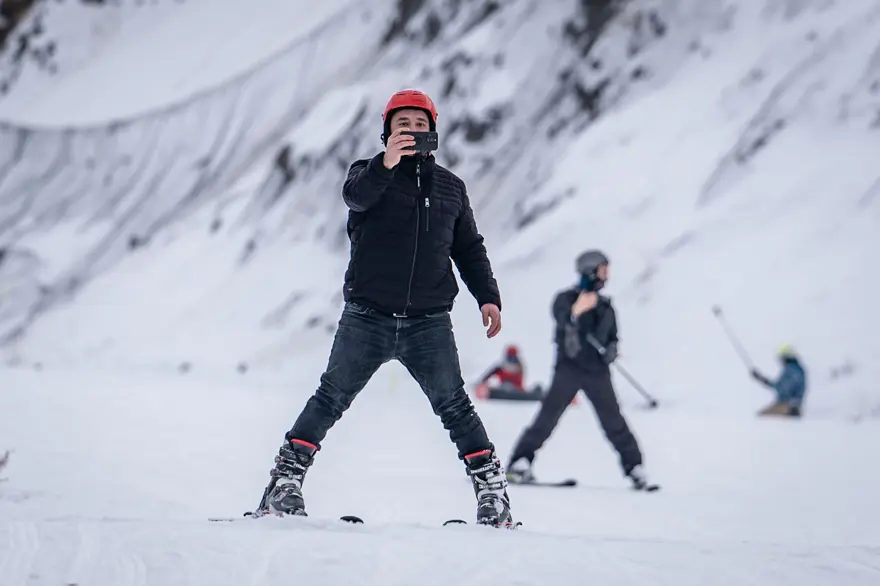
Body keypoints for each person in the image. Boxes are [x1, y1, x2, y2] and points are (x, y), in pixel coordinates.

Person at [253, 89, 514, 527]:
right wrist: (386, 164)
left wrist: (487, 296)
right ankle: (284, 483)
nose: (411, 132)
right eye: (401, 125)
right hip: (367, 317)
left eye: (419, 124)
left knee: (455, 406)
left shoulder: (450, 187)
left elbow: (469, 247)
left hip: (428, 322)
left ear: (433, 130)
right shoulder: (367, 174)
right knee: (331, 397)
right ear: (386, 133)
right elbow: (356, 197)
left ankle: (492, 493)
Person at [506, 250, 657, 491]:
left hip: (597, 372)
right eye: (603, 270)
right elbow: (562, 321)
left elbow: (613, 337)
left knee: (613, 421)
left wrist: (611, 350)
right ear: (590, 270)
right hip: (568, 369)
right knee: (548, 416)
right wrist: (578, 310)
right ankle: (520, 462)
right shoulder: (565, 299)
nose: (606, 275)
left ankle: (635, 468)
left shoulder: (606, 306)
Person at [751, 344, 807, 417]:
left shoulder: (791, 370)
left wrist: (762, 379)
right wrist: (762, 379)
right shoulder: (797, 369)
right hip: (794, 406)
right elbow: (780, 385)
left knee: (762, 417)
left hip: (788, 406)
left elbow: (782, 388)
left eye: (781, 358)